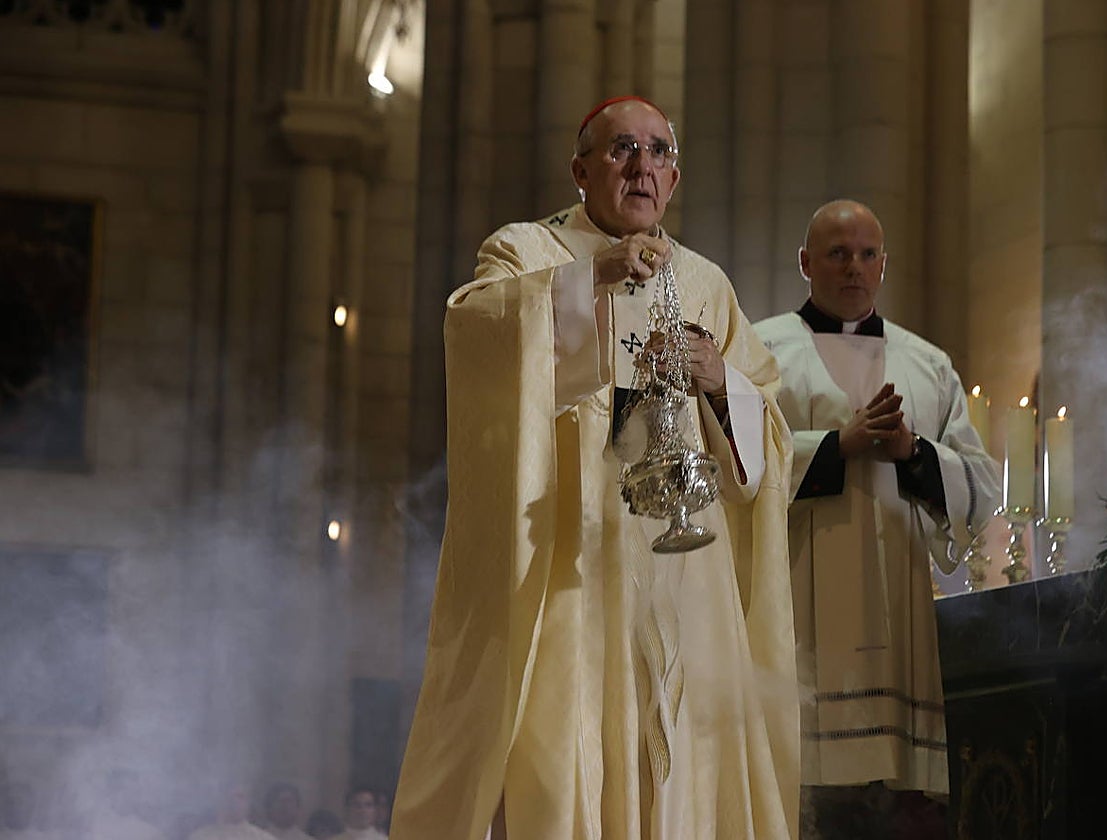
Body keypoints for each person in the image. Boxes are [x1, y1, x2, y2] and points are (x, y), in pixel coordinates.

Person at [391, 96, 799, 839]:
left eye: (658, 153)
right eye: (621, 150)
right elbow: (478, 339)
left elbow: (766, 445)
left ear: (675, 177)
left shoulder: (707, 283)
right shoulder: (528, 251)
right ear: (581, 171)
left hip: (685, 559)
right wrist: (590, 284)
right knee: (562, 757)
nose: (642, 166)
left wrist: (718, 378)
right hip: (570, 563)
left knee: (685, 771)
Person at [754, 199, 1001, 837]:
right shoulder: (760, 352)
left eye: (867, 255)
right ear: (806, 262)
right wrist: (838, 446)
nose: (854, 268)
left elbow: (982, 483)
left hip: (901, 629)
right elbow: (736, 464)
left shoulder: (927, 364)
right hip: (798, 622)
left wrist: (911, 452)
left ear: (884, 266)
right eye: (838, 254)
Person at [185, 788, 274, 840]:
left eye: (240, 797)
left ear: (248, 802)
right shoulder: (200, 837)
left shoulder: (263, 838)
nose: (235, 802)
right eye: (229, 797)